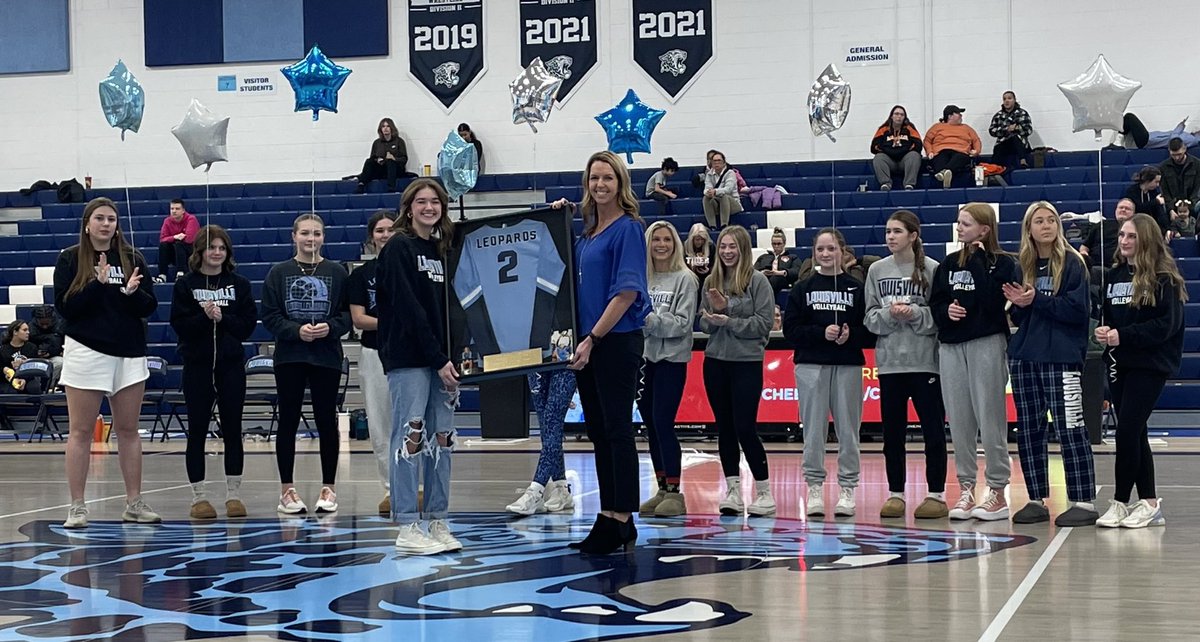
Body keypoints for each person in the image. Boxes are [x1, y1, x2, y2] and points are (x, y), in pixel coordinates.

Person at [557, 150, 650, 555]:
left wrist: (593, 337)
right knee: (598, 432)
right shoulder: (586, 235)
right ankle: (611, 516)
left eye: (607, 178)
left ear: (620, 183)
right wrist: (557, 217)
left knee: (616, 430)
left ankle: (621, 516)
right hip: (587, 344)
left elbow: (626, 292)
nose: (600, 185)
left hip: (613, 340)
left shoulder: (628, 229)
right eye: (593, 178)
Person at [52, 197, 160, 528]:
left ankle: (134, 502)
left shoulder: (132, 258)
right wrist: (97, 286)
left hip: (128, 351)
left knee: (128, 430)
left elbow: (149, 306)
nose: (106, 224)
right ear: (87, 224)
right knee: (81, 431)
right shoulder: (70, 259)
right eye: (99, 218)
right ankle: (78, 505)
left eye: (111, 219)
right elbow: (66, 309)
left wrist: (131, 293)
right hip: (87, 350)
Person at [376, 178, 462, 554]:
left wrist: (451, 357)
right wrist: (437, 357)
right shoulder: (398, 247)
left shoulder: (443, 250)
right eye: (421, 202)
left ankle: (438, 520)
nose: (429, 208)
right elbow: (409, 310)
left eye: (435, 202)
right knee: (410, 438)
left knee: (442, 440)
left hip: (440, 361)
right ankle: (408, 523)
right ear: (408, 207)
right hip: (410, 358)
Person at [1003, 202, 1098, 526]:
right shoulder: (1022, 266)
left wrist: (1037, 300)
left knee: (1071, 427)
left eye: (1051, 220)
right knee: (1029, 430)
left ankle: (1083, 501)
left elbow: (1076, 311)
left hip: (1062, 357)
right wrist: (1018, 306)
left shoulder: (1073, 263)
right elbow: (1019, 315)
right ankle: (1035, 498)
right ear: (1029, 228)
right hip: (1025, 357)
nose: (1046, 226)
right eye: (1039, 221)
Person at [1095, 213, 1187, 528]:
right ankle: (1148, 502)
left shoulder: (1165, 279)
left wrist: (1125, 335)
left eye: (1131, 236)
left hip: (1150, 364)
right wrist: (1105, 331)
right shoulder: (1115, 275)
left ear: (1146, 239)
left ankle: (1120, 501)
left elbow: (1166, 326)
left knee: (1126, 431)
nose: (1124, 241)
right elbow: (1111, 317)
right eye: (1122, 235)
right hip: (1120, 364)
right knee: (1136, 433)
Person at [929, 202, 1020, 521]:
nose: (959, 227)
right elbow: (936, 302)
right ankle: (966, 487)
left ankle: (997, 489)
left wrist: (980, 261)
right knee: (960, 421)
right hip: (952, 346)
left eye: (965, 223)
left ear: (984, 228)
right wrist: (945, 314)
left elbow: (995, 302)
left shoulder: (1004, 264)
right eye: (958, 222)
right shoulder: (949, 263)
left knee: (990, 418)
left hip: (987, 343)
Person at [260, 213, 352, 515]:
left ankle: (330, 488)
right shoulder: (278, 272)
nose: (310, 239)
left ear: (323, 237)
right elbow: (271, 316)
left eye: (316, 234)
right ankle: (286, 489)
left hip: (326, 357)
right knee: (287, 421)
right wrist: (296, 331)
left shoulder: (337, 272)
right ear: (294, 236)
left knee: (326, 421)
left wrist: (331, 327)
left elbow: (346, 315)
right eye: (305, 233)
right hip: (290, 357)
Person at [864, 210, 948, 519]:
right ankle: (895, 492)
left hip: (925, 362)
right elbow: (870, 318)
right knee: (893, 434)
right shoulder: (876, 270)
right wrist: (890, 315)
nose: (890, 237)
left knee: (933, 431)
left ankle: (936, 494)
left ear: (913, 235)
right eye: (887, 231)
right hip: (889, 364)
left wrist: (914, 314)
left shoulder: (933, 269)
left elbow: (938, 318)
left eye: (897, 231)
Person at [169, 225, 258, 520]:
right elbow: (179, 324)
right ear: (200, 251)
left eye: (222, 248)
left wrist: (224, 318)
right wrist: (204, 318)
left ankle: (234, 494)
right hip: (197, 366)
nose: (217, 253)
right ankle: (199, 496)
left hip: (231, 365)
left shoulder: (240, 284)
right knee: (197, 430)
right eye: (211, 248)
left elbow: (247, 324)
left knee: (233, 429)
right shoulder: (185, 285)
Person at [784, 228, 871, 518]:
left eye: (831, 249)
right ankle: (814, 488)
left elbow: (868, 330)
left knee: (848, 431)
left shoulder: (856, 287)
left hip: (847, 365)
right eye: (820, 249)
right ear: (814, 253)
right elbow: (790, 330)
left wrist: (850, 335)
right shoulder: (802, 288)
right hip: (811, 365)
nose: (825, 254)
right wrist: (821, 332)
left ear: (842, 252)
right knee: (813, 431)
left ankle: (848, 488)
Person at [701, 225, 776, 517]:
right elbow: (704, 324)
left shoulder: (758, 282)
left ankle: (764, 492)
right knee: (726, 428)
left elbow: (763, 325)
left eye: (732, 247)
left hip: (746, 362)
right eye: (723, 247)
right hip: (715, 361)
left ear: (743, 249)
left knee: (745, 427)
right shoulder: (711, 280)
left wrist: (728, 313)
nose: (727, 252)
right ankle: (732, 489)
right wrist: (714, 315)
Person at [637, 221, 697, 517]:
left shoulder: (685, 279)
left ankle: (675, 491)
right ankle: (661, 488)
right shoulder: (641, 277)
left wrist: (649, 322)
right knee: (650, 426)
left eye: (667, 239)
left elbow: (682, 325)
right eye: (655, 239)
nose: (661, 244)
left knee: (663, 422)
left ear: (676, 244)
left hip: (671, 360)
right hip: (643, 360)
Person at [347, 210, 398, 515]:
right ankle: (390, 489)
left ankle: (416, 486)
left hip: (410, 353)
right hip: (374, 353)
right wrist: (395, 322)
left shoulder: (411, 266)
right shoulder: (360, 276)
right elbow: (359, 319)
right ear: (371, 237)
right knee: (380, 424)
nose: (385, 234)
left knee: (413, 422)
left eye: (391, 229)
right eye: (380, 230)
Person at [507, 368, 577, 516]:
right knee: (546, 425)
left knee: (552, 420)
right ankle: (561, 489)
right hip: (535, 357)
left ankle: (536, 490)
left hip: (566, 359)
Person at [924, 105, 982, 188]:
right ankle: (946, 173)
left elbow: (976, 140)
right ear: (950, 116)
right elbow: (927, 140)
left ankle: (943, 174)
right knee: (939, 159)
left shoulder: (966, 128)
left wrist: (976, 151)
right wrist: (930, 151)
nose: (961, 116)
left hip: (960, 152)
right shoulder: (937, 127)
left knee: (960, 158)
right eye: (958, 114)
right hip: (941, 151)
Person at [871, 105, 923, 190]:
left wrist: (904, 150)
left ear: (904, 117)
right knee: (878, 158)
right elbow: (874, 147)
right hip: (889, 161)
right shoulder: (883, 129)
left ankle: (909, 184)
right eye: (896, 114)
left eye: (902, 115)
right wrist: (888, 151)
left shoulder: (910, 128)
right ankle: (886, 183)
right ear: (891, 116)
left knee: (914, 155)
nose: (899, 117)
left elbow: (918, 145)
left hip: (905, 161)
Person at [355, 117, 408, 193]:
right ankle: (361, 184)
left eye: (388, 126)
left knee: (390, 161)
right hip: (382, 169)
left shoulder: (399, 141)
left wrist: (394, 158)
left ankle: (391, 188)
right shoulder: (377, 143)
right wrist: (377, 160)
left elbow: (404, 159)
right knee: (369, 161)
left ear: (392, 128)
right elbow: (372, 158)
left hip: (396, 169)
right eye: (383, 126)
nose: (385, 128)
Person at [1079, 198, 1135, 268]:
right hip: (1096, 266)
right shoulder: (1102, 225)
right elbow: (1084, 247)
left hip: (1122, 268)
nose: (1123, 210)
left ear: (1133, 213)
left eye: (1127, 208)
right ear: (1116, 210)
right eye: (1121, 207)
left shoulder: (1136, 229)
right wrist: (1084, 254)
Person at [154, 198, 199, 283]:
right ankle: (162, 275)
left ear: (183, 211)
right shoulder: (167, 221)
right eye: (172, 209)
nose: (174, 211)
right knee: (164, 245)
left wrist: (176, 239)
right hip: (175, 253)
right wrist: (175, 237)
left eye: (177, 209)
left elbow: (190, 239)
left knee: (179, 244)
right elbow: (162, 239)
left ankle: (180, 273)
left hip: (190, 253)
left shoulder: (191, 219)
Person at [987, 91, 1033, 175]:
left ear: (1014, 100)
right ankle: (994, 170)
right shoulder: (998, 115)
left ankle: (1023, 160)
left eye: (1009, 98)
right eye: (1004, 99)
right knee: (998, 147)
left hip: (1020, 144)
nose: (1006, 101)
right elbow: (992, 131)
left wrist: (1017, 128)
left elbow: (1028, 130)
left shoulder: (1022, 113)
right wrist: (1006, 129)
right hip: (1003, 144)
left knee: (1015, 137)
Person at [1159, 137, 1200, 218]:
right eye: (1173, 155)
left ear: (1185, 149)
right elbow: (1165, 191)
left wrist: (1188, 206)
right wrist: (1171, 209)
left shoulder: (1197, 164)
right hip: (1172, 204)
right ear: (1169, 151)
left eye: (1179, 154)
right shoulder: (1163, 167)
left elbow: (1198, 188)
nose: (1177, 158)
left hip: (1193, 203)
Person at [702, 150, 743, 229]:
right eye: (714, 161)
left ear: (724, 163)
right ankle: (712, 225)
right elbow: (706, 188)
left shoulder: (730, 173)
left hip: (732, 203)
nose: (716, 163)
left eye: (719, 160)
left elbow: (728, 189)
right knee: (705, 198)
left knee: (724, 196)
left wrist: (715, 191)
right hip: (717, 203)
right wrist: (708, 192)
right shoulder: (709, 174)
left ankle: (724, 225)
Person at [753, 228, 800, 294]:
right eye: (774, 244)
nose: (776, 246)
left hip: (782, 279)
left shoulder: (792, 257)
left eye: (779, 244)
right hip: (764, 278)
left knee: (776, 278)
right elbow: (754, 271)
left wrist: (781, 272)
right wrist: (762, 272)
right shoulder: (763, 257)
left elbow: (797, 272)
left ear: (784, 243)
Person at [1123, 166, 1168, 231]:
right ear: (1147, 180)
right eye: (1156, 182)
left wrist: (1167, 229)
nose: (1158, 185)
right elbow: (1138, 207)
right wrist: (1156, 201)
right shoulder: (1132, 191)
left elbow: (1160, 213)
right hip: (1135, 225)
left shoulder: (1155, 192)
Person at [1120, 113, 1200, 150]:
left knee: (1129, 117)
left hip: (1147, 141)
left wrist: (1180, 126)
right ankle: (1118, 128)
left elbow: (1174, 141)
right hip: (1148, 139)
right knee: (1127, 122)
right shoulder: (1189, 136)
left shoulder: (1193, 140)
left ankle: (1115, 125)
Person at [28, 305, 64, 386]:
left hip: (55, 356)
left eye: (47, 323)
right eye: (42, 324)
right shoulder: (30, 328)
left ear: (52, 318)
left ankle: (50, 386)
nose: (45, 326)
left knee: (61, 362)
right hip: (35, 357)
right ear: (36, 320)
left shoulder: (60, 326)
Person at [1, 320, 37, 391]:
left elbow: (35, 369)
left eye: (28, 330)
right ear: (15, 332)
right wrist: (7, 371)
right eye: (24, 330)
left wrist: (24, 380)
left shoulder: (32, 348)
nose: (28, 332)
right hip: (8, 380)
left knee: (34, 388)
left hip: (28, 379)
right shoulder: (3, 350)